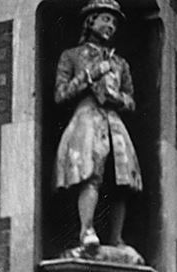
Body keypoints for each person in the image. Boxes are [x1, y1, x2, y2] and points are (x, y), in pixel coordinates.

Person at [53, 0, 142, 253]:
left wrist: (116, 98)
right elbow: (60, 95)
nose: (110, 26)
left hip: (114, 123)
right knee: (90, 173)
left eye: (114, 22)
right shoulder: (71, 56)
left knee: (122, 181)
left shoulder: (120, 63)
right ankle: (87, 230)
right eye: (105, 19)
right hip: (86, 120)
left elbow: (131, 100)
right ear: (90, 21)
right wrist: (89, 75)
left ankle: (116, 238)